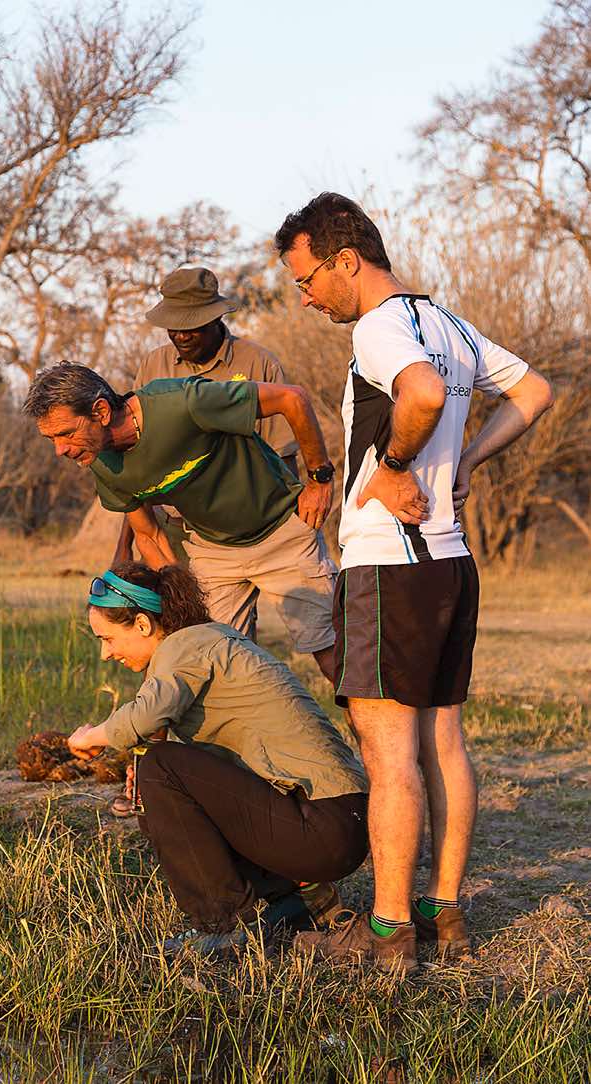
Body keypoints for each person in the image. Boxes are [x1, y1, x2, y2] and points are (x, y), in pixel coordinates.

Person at [274, 192, 554, 972]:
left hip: (387, 564)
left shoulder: (379, 325)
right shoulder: (451, 325)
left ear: (345, 261)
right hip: (449, 563)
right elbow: (534, 392)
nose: (303, 296)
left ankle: (391, 930)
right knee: (442, 740)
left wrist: (395, 466)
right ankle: (446, 914)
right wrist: (466, 459)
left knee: (387, 747)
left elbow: (421, 395)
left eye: (305, 280)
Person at [66, 562, 369, 957]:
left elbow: (144, 718)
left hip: (323, 825)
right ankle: (298, 899)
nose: (106, 653)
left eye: (107, 638)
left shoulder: (185, 646)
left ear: (142, 624)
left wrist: (94, 735)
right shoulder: (210, 641)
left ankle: (220, 925)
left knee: (160, 767)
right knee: (157, 773)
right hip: (336, 824)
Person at [22, 361, 338, 682]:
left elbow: (291, 398)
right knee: (211, 666)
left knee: (331, 653)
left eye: (66, 434)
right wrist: (181, 603)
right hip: (213, 549)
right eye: (51, 439)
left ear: (101, 411)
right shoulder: (102, 463)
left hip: (280, 530)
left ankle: (374, 731)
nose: (60, 450)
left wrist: (319, 478)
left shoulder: (183, 403)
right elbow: (148, 535)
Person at [113, 266, 300, 567]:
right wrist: (125, 547)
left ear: (217, 317)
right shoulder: (154, 366)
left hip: (252, 523)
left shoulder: (258, 364)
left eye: (192, 325)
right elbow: (134, 467)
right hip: (175, 525)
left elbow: (282, 453)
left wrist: (296, 528)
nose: (182, 335)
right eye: (173, 326)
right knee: (184, 612)